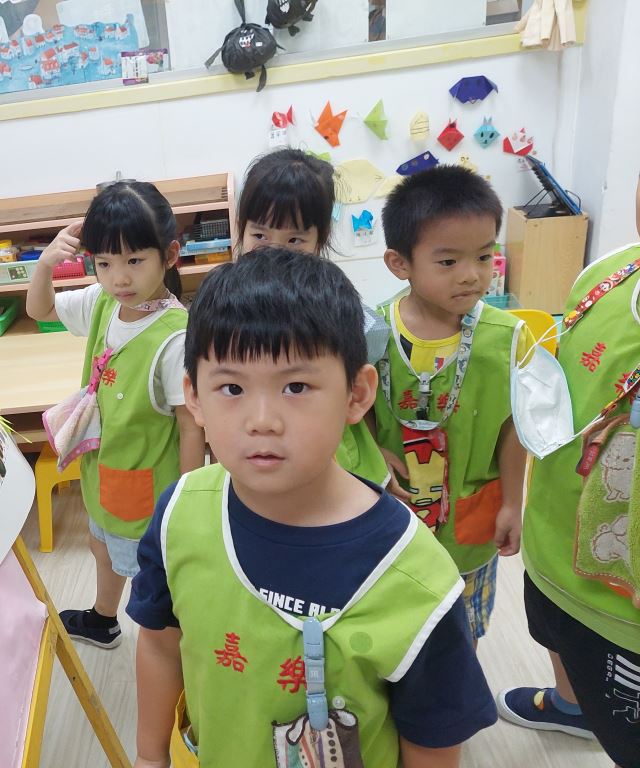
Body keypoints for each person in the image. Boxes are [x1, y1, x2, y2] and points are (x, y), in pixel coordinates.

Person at [129, 249, 495, 768]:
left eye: (296, 387)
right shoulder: (179, 515)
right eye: (231, 388)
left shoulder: (413, 575)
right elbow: (160, 643)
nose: (262, 420)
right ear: (194, 397)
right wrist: (149, 757)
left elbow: (433, 738)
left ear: (357, 394)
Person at [495, 176, 640, 767]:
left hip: (621, 609)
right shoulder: (610, 272)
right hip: (552, 545)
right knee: (552, 632)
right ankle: (571, 706)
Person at [28, 180, 205, 648]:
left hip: (148, 493)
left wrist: (186, 502)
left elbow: (191, 427)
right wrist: (45, 264)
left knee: (151, 579)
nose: (119, 278)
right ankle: (104, 619)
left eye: (134, 261)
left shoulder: (175, 336)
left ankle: (170, 649)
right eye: (104, 263)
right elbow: (40, 308)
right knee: (100, 546)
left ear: (169, 255)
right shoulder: (102, 302)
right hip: (103, 470)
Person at [372, 165, 533, 642]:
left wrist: (513, 502)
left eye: (484, 256)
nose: (471, 275)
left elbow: (514, 427)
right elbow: (352, 413)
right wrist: (369, 452)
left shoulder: (507, 339)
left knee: (462, 635)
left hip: (470, 526)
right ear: (399, 263)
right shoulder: (371, 334)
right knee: (400, 629)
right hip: (393, 522)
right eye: (447, 262)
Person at [237, 148, 391, 487]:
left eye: (294, 239)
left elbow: (359, 387)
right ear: (242, 230)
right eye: (260, 236)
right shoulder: (230, 309)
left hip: (336, 457)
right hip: (261, 455)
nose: (275, 252)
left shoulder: (334, 307)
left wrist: (377, 450)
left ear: (319, 240)